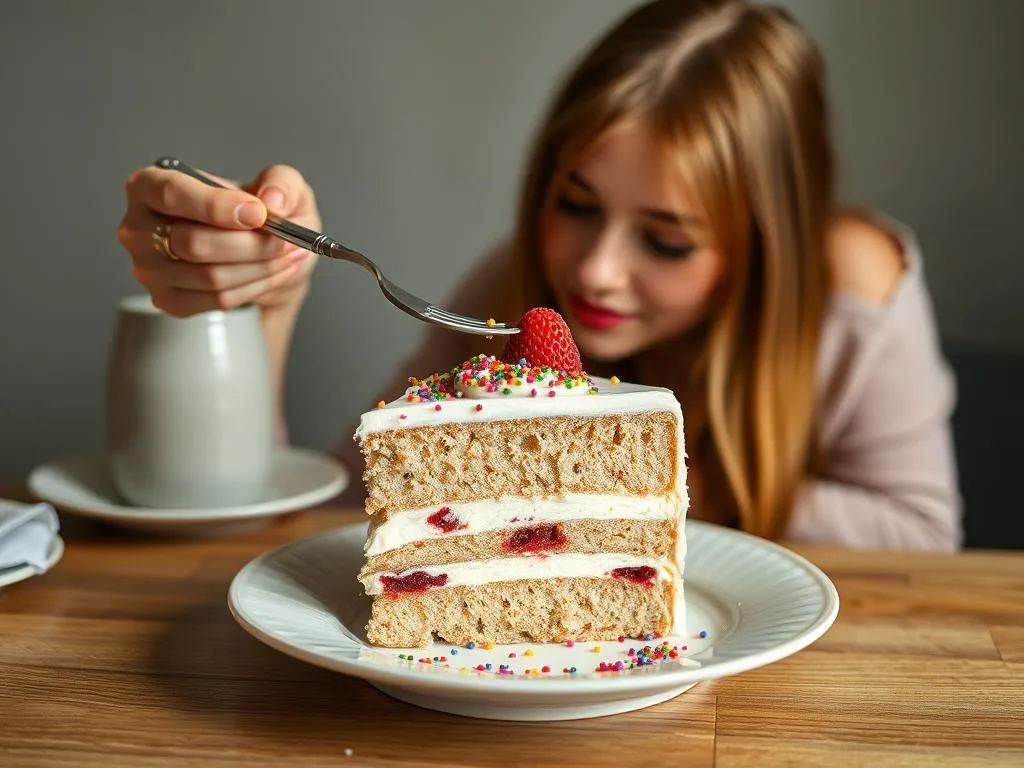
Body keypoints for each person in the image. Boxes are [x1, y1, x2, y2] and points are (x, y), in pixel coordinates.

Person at [117, 0, 962, 550]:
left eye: (666, 242)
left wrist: (640, 466)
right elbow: (332, 514)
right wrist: (273, 301)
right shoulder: (516, 286)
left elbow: (926, 538)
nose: (594, 269)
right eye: (576, 204)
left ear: (766, 246)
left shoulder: (853, 281)